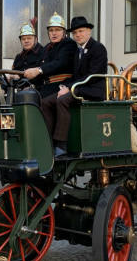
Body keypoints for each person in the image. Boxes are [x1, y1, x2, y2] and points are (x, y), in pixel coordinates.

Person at [41, 16, 108, 156]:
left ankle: (61, 144)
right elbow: (75, 76)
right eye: (75, 33)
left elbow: (92, 76)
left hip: (93, 90)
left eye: (81, 31)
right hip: (80, 88)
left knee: (62, 100)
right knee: (46, 102)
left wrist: (70, 88)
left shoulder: (98, 48)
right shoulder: (78, 51)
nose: (78, 35)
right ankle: (48, 142)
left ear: (89, 31)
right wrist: (64, 85)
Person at [23, 12, 77, 98]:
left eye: (57, 30)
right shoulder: (46, 48)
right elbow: (37, 67)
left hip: (61, 86)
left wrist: (39, 70)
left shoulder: (69, 44)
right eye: (51, 30)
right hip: (45, 87)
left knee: (39, 102)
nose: (54, 33)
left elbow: (60, 62)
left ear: (64, 32)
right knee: (23, 98)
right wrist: (22, 78)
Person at [10, 23, 44, 88]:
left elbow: (44, 74)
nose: (26, 41)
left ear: (35, 39)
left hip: (38, 90)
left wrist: (20, 77)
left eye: (29, 38)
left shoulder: (43, 53)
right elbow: (13, 74)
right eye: (23, 39)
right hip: (19, 90)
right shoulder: (18, 57)